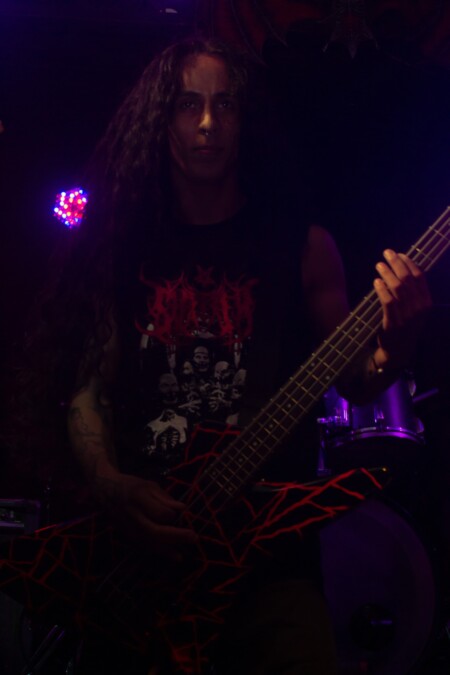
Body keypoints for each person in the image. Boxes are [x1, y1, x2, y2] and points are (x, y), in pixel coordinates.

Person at [11, 36, 431, 675]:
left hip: (271, 565)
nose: (208, 122)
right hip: (145, 554)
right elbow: (88, 391)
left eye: (225, 104)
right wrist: (112, 485)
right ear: (161, 119)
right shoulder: (123, 246)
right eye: (188, 104)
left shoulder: (302, 247)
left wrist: (398, 341)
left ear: (244, 118)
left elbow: (358, 380)